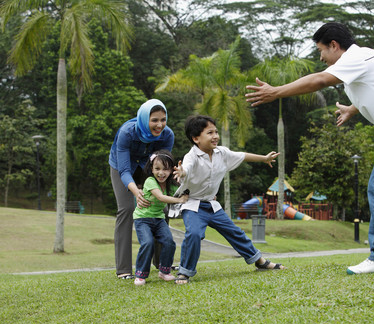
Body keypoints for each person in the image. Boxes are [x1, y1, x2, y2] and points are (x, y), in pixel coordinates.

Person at [245, 22, 374, 275]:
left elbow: (318, 80)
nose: (321, 57)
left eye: (321, 50)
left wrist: (277, 92)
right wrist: (352, 108)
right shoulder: (364, 59)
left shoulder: (354, 58)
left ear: (334, 46)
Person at [172, 115, 286, 284]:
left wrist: (264, 159)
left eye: (216, 132)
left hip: (212, 204)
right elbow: (186, 168)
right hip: (193, 205)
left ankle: (259, 261)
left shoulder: (222, 153)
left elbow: (242, 155)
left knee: (235, 232)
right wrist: (182, 173)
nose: (215, 136)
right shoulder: (191, 157)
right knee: (194, 234)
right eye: (210, 133)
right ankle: (184, 272)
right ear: (196, 138)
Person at [109, 99, 174, 279]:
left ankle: (163, 264)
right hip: (122, 167)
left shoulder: (167, 135)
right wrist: (137, 192)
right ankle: (123, 269)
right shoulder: (127, 133)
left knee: (160, 205)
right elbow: (123, 170)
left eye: (163, 119)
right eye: (154, 120)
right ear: (145, 119)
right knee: (127, 208)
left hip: (150, 168)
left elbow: (163, 166)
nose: (159, 125)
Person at [133, 150, 188, 286]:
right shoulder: (150, 181)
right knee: (148, 243)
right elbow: (160, 197)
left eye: (165, 169)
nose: (161, 172)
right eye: (157, 168)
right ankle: (140, 274)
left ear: (171, 170)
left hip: (158, 219)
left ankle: (164, 271)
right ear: (151, 169)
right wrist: (179, 200)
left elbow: (186, 187)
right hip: (142, 219)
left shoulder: (170, 185)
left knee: (169, 242)